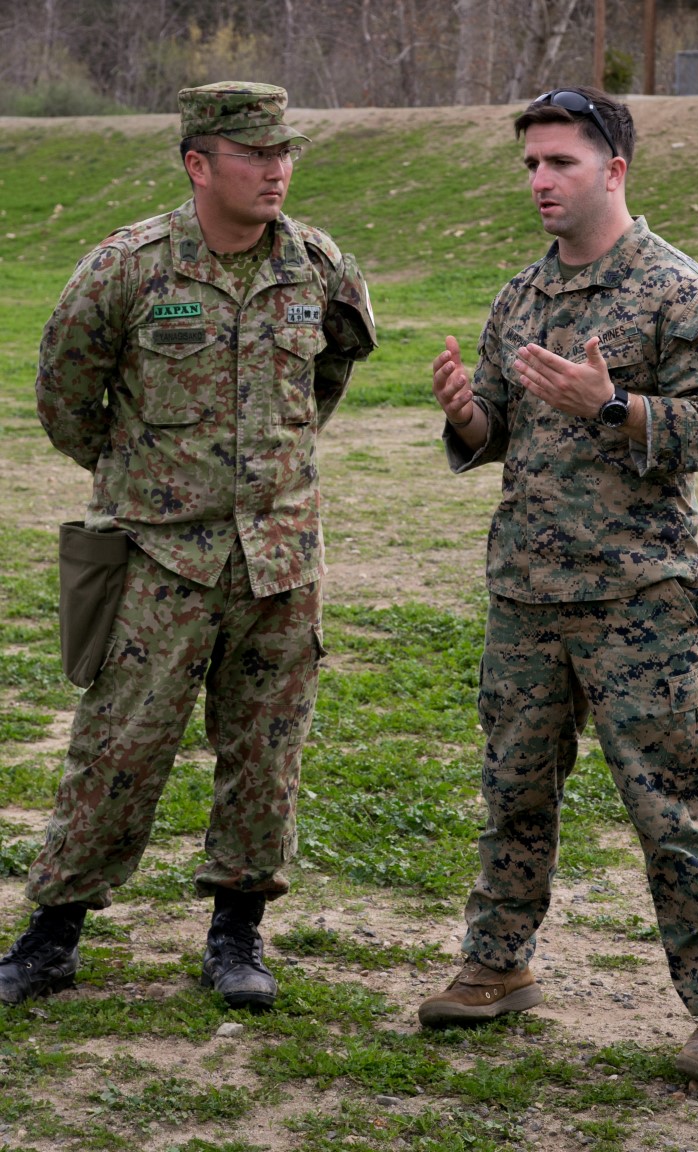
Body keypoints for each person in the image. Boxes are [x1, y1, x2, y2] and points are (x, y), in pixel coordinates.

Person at [418, 86, 698, 1094]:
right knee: (514, 792)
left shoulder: (676, 291)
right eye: (530, 164)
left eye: (560, 162)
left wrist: (613, 404)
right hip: (527, 591)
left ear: (613, 168)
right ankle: (498, 964)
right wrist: (464, 415)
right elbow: (495, 431)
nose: (539, 181)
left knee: (671, 805)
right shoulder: (520, 298)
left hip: (639, 599)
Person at [0, 81, 375, 1012]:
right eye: (255, 154)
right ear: (198, 163)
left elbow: (330, 370)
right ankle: (53, 935)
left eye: (286, 152)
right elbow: (64, 395)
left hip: (279, 559)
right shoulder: (129, 268)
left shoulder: (318, 265)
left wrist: (270, 466)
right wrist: (143, 476)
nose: (277, 169)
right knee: (118, 748)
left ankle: (237, 935)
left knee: (266, 753)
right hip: (160, 559)